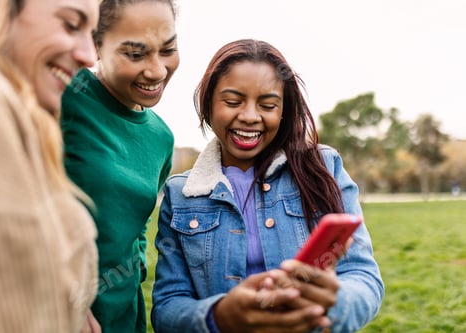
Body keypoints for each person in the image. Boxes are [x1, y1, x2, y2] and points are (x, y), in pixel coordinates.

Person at [152, 39, 384, 333]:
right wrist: (221, 316)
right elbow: (167, 307)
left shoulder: (325, 168)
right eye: (233, 101)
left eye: (268, 105)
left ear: (284, 110)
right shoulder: (180, 195)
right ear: (208, 105)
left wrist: (332, 303)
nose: (250, 116)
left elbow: (363, 276)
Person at [0, 0, 100, 332]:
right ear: (3, 10)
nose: (89, 56)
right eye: (70, 25)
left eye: (93, 35)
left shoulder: (26, 120)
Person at [60, 0, 180, 332]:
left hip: (123, 315)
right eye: (135, 54)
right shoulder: (65, 96)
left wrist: (137, 267)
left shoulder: (161, 137)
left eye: (167, 49)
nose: (157, 70)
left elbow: (138, 223)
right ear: (95, 45)